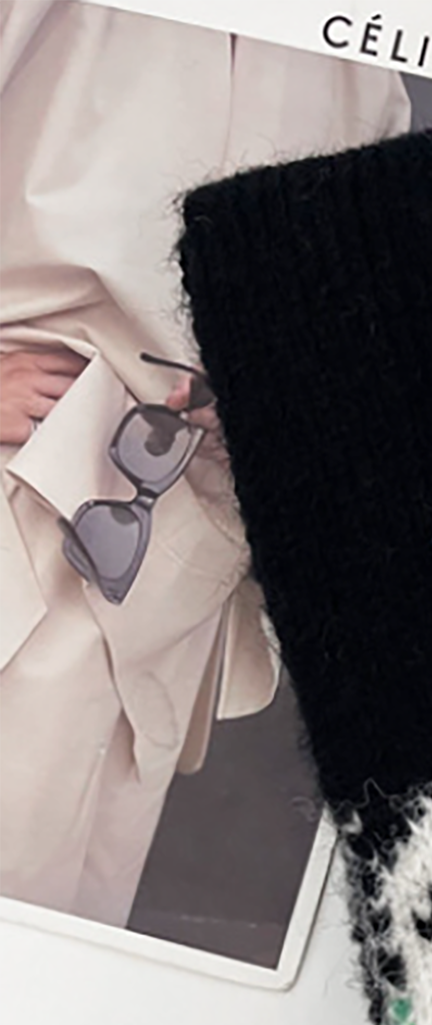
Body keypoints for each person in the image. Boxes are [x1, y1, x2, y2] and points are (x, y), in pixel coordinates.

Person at [0, 0, 411, 925]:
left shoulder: (367, 62)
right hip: (23, 496)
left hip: (179, 576)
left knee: (70, 956)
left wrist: (278, 410)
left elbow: (358, 323)